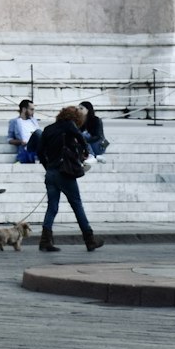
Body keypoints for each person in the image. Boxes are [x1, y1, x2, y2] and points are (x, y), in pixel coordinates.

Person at [36, 105, 104, 252]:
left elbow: (40, 151)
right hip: (64, 172)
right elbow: (81, 138)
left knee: (52, 207)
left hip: (51, 172)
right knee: (77, 204)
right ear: (75, 118)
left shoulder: (48, 129)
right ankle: (89, 239)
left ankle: (45, 241)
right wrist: (85, 152)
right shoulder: (69, 125)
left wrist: (47, 167)